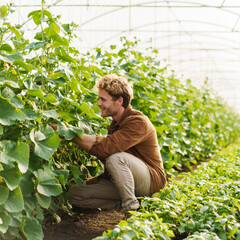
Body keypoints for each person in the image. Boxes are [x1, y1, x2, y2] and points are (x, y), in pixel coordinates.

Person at [51, 74, 167, 213]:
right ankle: (138, 205)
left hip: (152, 182)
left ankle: (131, 208)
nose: (98, 103)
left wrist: (68, 133)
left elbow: (106, 149)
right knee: (75, 194)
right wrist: (96, 180)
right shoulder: (115, 124)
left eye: (103, 99)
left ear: (119, 101)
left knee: (116, 158)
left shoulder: (138, 121)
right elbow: (105, 150)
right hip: (132, 182)